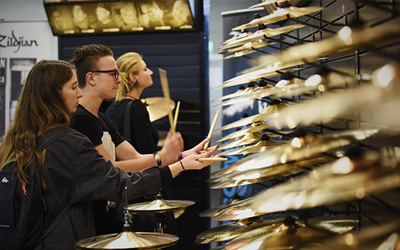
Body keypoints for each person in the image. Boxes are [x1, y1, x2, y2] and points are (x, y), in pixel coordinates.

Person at [0, 60, 213, 249]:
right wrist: (179, 166)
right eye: (73, 87)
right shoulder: (69, 143)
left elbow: (133, 160)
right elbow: (121, 184)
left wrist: (180, 157)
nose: (79, 93)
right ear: (53, 94)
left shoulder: (16, 141)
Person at [69, 44, 218, 235]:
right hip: (90, 224)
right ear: (91, 78)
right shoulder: (80, 120)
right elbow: (111, 169)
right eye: (113, 74)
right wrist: (165, 159)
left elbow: (137, 158)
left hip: (109, 215)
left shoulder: (102, 117)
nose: (119, 79)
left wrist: (182, 155)